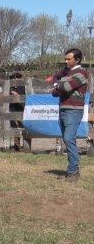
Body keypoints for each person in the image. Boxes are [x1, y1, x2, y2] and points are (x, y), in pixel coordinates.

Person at [50, 48, 89, 182]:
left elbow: (65, 88)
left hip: (74, 110)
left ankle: (73, 172)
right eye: (65, 58)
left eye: (69, 59)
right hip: (63, 109)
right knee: (67, 140)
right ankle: (71, 171)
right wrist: (59, 85)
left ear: (77, 59)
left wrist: (58, 86)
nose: (65, 61)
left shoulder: (82, 73)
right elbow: (55, 91)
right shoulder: (66, 72)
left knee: (68, 139)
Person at [9, 72, 26, 151]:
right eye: (13, 78)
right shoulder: (10, 88)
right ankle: (17, 146)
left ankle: (26, 145)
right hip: (12, 109)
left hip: (21, 109)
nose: (15, 79)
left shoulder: (23, 87)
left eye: (17, 77)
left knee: (23, 127)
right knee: (14, 128)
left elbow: (25, 98)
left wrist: (17, 95)